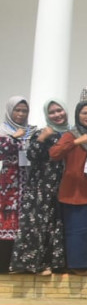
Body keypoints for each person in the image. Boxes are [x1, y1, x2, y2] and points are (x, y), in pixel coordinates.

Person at [11, 100, 69, 274]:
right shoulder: (42, 132)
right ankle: (31, 264)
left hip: (61, 185)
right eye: (52, 112)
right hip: (40, 187)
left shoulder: (70, 133)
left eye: (60, 110)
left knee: (54, 225)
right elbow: (32, 155)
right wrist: (42, 138)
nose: (57, 115)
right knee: (37, 225)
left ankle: (51, 263)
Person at [51, 102, 87, 274]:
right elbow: (54, 154)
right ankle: (77, 265)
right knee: (77, 230)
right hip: (74, 191)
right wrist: (76, 142)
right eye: (85, 113)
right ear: (78, 115)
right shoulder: (71, 134)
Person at [0, 97, 31, 266]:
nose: (20, 114)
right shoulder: (3, 129)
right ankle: (4, 263)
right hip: (8, 184)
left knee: (25, 222)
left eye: (24, 111)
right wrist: (13, 137)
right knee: (7, 221)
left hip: (28, 181)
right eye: (17, 110)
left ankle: (20, 262)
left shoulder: (30, 130)